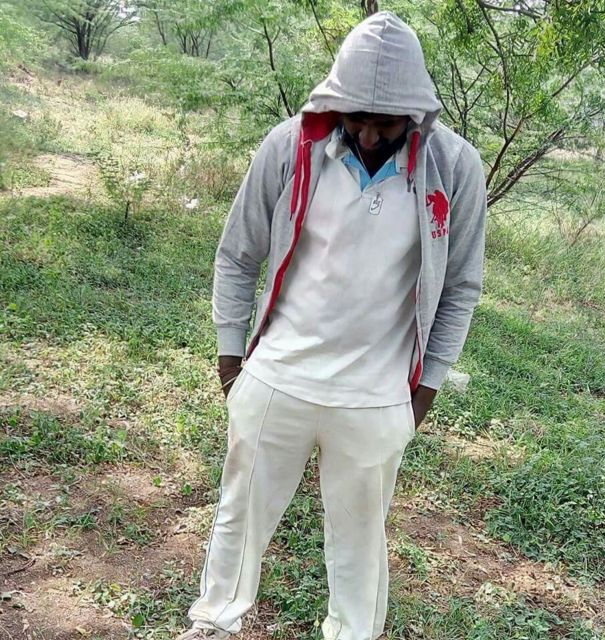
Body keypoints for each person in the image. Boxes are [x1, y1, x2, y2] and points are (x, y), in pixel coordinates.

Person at [177, 10, 486, 640]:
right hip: (279, 377)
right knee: (240, 516)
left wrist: (425, 389)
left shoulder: (454, 167)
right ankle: (214, 623)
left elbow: (460, 287)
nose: (368, 135)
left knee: (359, 538)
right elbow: (237, 254)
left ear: (416, 114)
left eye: (386, 123)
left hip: (375, 395)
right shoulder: (291, 146)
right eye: (356, 118)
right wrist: (232, 359)